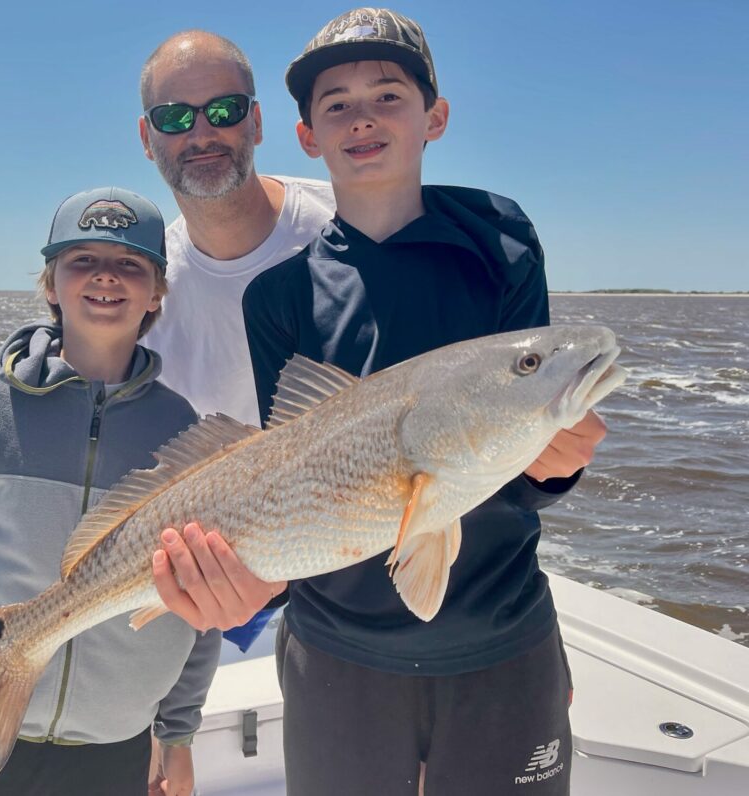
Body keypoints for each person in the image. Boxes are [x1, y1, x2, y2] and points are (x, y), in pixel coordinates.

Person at [161, 9, 609, 795]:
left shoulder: (500, 238)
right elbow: (296, 479)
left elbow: (527, 461)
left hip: (504, 641)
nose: (362, 117)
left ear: (435, 116)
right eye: (336, 104)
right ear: (306, 136)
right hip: (337, 656)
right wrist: (242, 579)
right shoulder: (278, 297)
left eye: (389, 96)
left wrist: (558, 465)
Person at [0, 187, 220, 796]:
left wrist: (175, 734)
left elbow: (196, 600)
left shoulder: (181, 432)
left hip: (114, 743)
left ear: (156, 294)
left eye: (130, 264)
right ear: (51, 283)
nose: (105, 277)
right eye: (83, 260)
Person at [137, 30, 334, 641]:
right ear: (147, 138)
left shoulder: (346, 225)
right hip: (226, 584)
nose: (201, 133)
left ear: (255, 122)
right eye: (173, 117)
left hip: (366, 554)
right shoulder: (143, 291)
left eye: (223, 111)